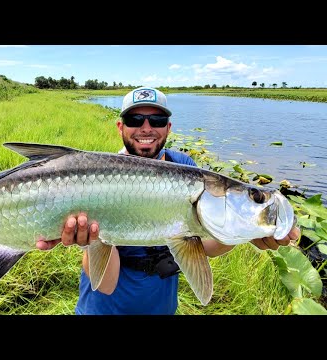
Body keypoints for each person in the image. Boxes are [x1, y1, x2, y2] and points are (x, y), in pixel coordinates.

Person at [36, 86, 300, 315]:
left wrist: (242, 233)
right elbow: (105, 285)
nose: (146, 128)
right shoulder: (97, 177)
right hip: (104, 307)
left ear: (169, 127)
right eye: (135, 119)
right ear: (121, 126)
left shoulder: (185, 167)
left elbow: (204, 244)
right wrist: (91, 241)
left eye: (158, 120)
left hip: (162, 306)